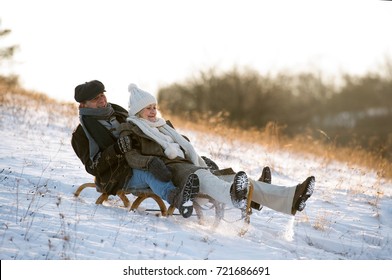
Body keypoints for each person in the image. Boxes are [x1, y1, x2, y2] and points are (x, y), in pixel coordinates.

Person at [119, 83, 315, 217]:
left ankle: (292, 197)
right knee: (210, 180)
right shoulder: (130, 129)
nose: (153, 111)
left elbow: (183, 143)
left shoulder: (162, 125)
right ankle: (234, 197)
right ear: (137, 112)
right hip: (170, 170)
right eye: (148, 108)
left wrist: (181, 144)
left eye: (155, 107)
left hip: (187, 164)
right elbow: (131, 157)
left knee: (229, 179)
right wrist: (151, 163)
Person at [71, 80, 202, 218]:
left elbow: (145, 125)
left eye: (102, 95)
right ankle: (178, 199)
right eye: (95, 98)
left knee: (173, 161)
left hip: (143, 156)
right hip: (118, 175)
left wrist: (172, 138)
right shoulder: (80, 134)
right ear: (83, 104)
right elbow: (92, 167)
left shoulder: (119, 113)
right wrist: (116, 150)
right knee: (150, 173)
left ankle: (207, 180)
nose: (101, 99)